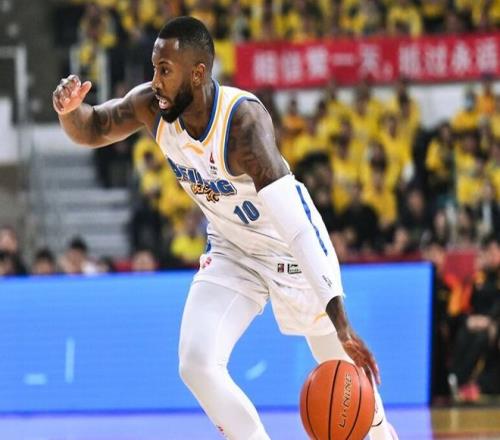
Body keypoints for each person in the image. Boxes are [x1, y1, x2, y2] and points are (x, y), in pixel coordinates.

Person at [53, 16, 396, 439]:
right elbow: (95, 126)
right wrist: (70, 112)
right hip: (232, 248)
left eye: (165, 70)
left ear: (198, 74)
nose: (155, 81)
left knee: (345, 380)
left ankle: (383, 433)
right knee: (196, 363)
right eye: (155, 68)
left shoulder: (243, 125)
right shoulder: (152, 106)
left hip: (285, 247)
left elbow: (299, 229)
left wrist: (340, 320)